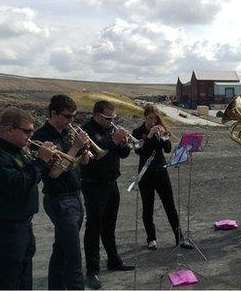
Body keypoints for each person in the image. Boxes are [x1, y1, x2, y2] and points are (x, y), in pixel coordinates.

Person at [0, 107, 53, 289]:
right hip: (4, 230)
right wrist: (40, 161)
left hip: (24, 226)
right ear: (9, 129)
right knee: (6, 281)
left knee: (24, 280)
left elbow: (31, 176)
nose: (31, 136)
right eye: (27, 131)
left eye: (32, 131)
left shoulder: (18, 150)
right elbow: (17, 185)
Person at [32, 95, 90, 289]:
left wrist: (84, 151)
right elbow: (54, 173)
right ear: (53, 113)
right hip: (59, 200)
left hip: (75, 196)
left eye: (73, 117)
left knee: (61, 251)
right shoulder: (41, 137)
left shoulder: (67, 132)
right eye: (67, 116)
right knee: (74, 258)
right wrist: (75, 148)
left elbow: (84, 163)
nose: (71, 121)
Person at [80, 101, 133, 290]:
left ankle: (113, 260)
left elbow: (124, 154)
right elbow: (95, 153)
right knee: (93, 227)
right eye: (108, 118)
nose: (112, 122)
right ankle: (92, 270)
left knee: (109, 226)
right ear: (96, 115)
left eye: (114, 118)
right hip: (93, 184)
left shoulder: (111, 131)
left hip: (111, 183)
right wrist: (114, 140)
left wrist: (123, 141)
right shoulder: (86, 131)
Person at [132, 105, 192, 250]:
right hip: (146, 174)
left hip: (161, 171)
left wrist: (164, 135)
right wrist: (150, 136)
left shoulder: (161, 129)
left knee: (170, 205)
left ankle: (180, 238)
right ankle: (151, 239)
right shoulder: (138, 132)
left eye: (155, 118)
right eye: (149, 118)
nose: (152, 121)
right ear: (145, 117)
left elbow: (167, 149)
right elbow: (138, 151)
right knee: (148, 207)